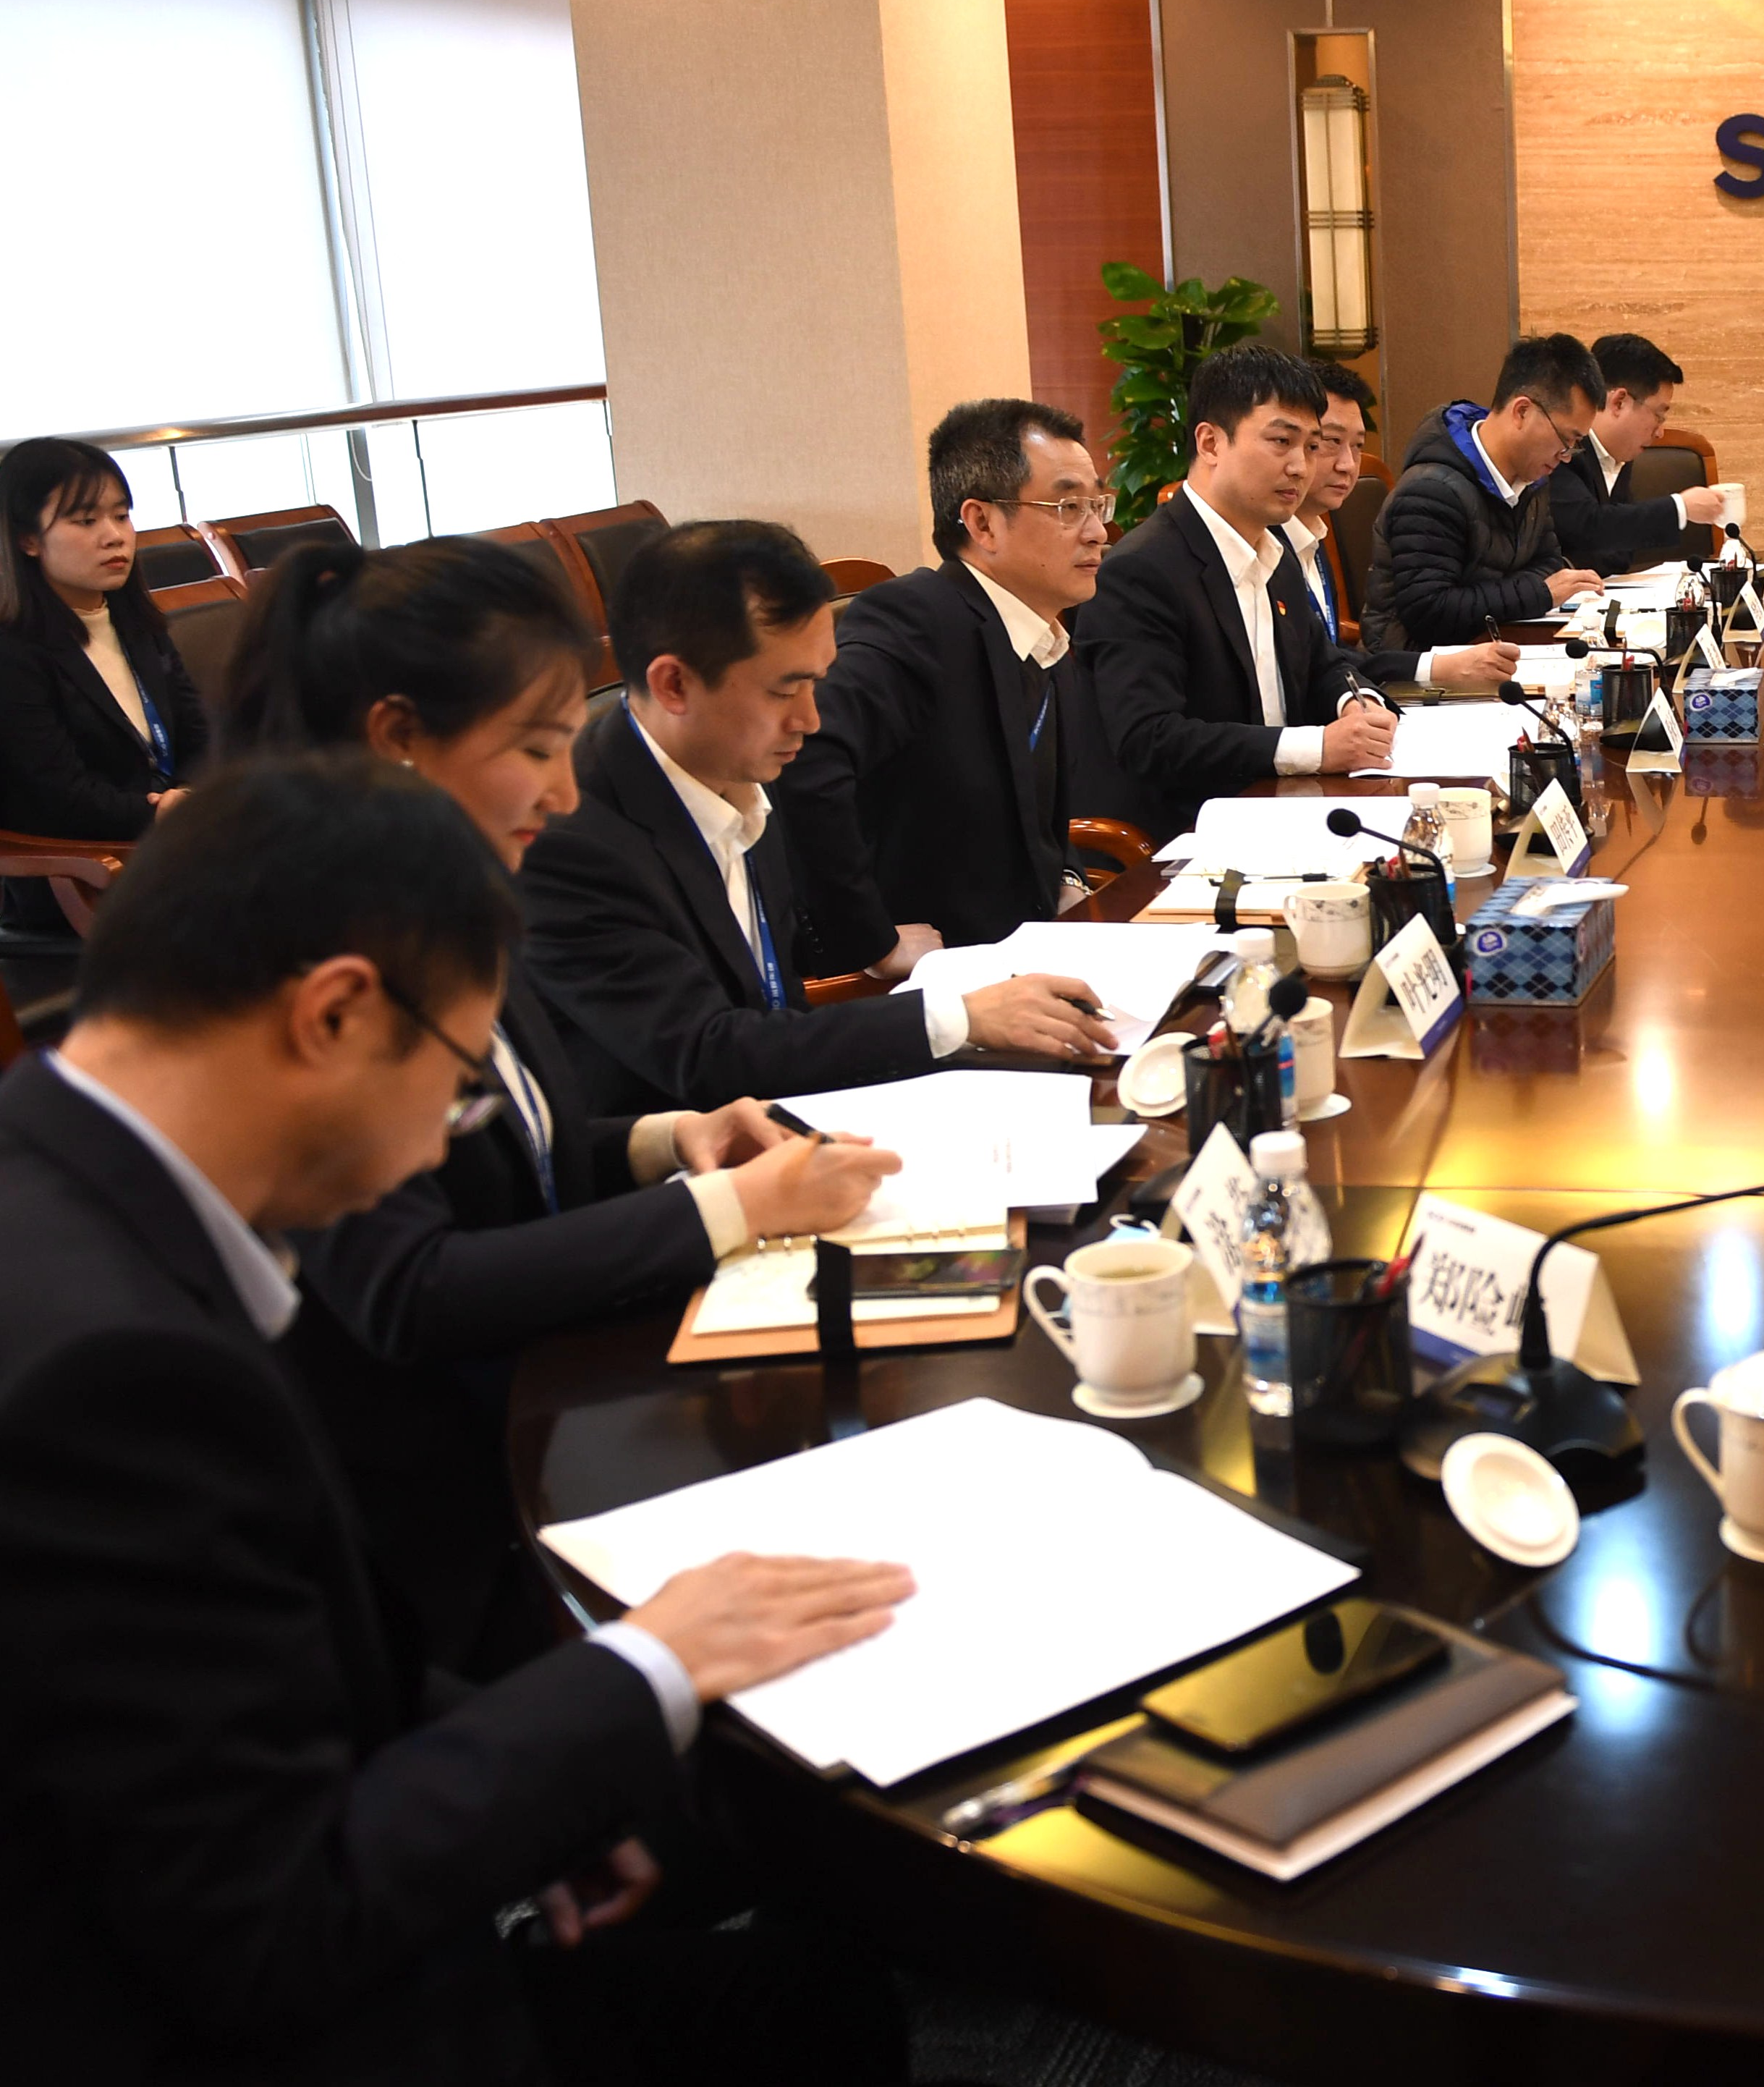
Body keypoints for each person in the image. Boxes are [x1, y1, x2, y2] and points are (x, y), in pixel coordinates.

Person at [0, 753, 916, 2085]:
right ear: (332, 1015)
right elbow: (271, 1929)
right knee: (814, 2008)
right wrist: (645, 1667)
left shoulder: (55, 1158)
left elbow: (261, 1673)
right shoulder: (113, 1377)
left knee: (794, 1970)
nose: (445, 1146)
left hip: (231, 1883)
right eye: (459, 1091)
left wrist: (541, 1773)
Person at [226, 536, 898, 1666]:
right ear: (397, 739)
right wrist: (732, 1207)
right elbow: (409, 1285)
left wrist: (664, 1140)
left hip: (550, 1393)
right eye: (537, 747)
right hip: (440, 1515)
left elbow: (507, 1144)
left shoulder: (454, 891)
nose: (568, 788)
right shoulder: (320, 956)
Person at [521, 520, 1119, 1116]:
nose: (810, 720)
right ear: (674, 684)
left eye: (817, 682)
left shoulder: (740, 771)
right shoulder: (570, 841)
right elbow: (707, 1053)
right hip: (675, 1152)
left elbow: (776, 1010)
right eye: (786, 691)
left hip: (785, 1115)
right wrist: (956, 1017)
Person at [772, 397, 1109, 975]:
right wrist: (870, 940)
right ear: (982, 523)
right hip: (946, 975)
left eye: (1097, 504)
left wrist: (1068, 878)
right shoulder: (914, 620)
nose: (1098, 531)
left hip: (1030, 952)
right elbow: (805, 754)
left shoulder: (1042, 631)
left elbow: (1034, 808)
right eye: (1068, 506)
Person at [1086, 346, 1399, 838]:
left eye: (1311, 446)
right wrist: (1315, 749)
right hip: (1199, 833)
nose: (1301, 467)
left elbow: (1323, 662)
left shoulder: (1274, 551)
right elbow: (1149, 738)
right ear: (1210, 442)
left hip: (1290, 809)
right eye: (1281, 441)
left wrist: (1355, 703)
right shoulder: (1142, 571)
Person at [0, 436, 205, 848]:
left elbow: (200, 736)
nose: (115, 536)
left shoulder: (137, 625)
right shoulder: (13, 652)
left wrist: (190, 795)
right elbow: (61, 797)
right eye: (86, 521)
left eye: (122, 516)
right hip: (90, 861)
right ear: (28, 540)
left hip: (179, 838)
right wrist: (166, 812)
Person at [1284, 358, 1518, 696]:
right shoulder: (1269, 546)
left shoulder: (1312, 536)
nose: (1348, 464)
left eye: (1358, 445)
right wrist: (1436, 668)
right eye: (1331, 441)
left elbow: (1329, 658)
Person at [1370, 333, 1609, 651]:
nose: (1566, 456)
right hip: (1421, 665)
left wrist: (1522, 592)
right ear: (1522, 412)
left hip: (1497, 646)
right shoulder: (1431, 490)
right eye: (1566, 440)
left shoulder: (1533, 479)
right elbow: (1430, 612)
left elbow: (1549, 562)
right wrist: (1538, 594)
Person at [1545, 331, 1729, 575]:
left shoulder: (1620, 454)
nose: (1660, 432)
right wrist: (1680, 508)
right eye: (1659, 415)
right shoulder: (1563, 448)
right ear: (1619, 402)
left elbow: (1617, 556)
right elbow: (1586, 528)